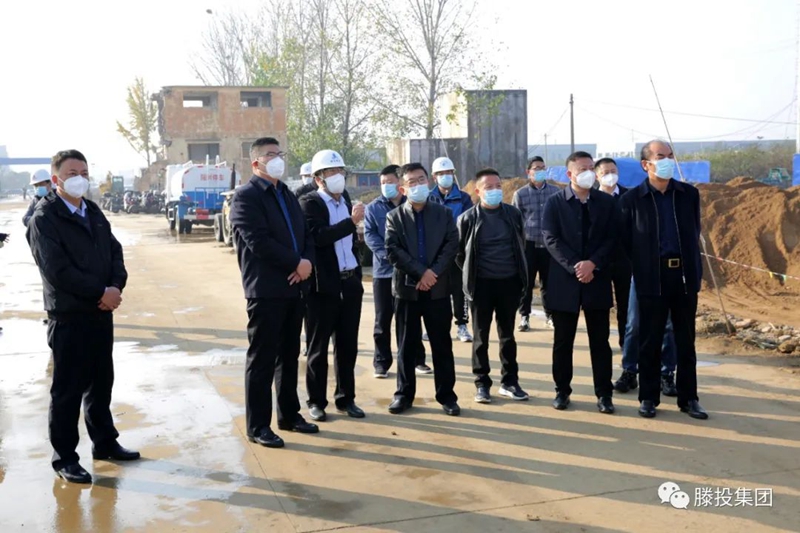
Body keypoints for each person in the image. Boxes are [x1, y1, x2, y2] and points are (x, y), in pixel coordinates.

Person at [26, 149, 139, 484]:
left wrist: (115, 286)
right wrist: (99, 292)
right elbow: (57, 271)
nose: (80, 179)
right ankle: (65, 457)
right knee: (68, 390)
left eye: (85, 173)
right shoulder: (45, 218)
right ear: (56, 178)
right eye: (73, 173)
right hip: (70, 316)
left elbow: (115, 252)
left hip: (100, 313)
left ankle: (104, 442)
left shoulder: (93, 211)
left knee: (101, 383)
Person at [229, 137, 319, 450]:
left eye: (280, 153)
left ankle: (289, 415)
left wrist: (306, 263)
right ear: (256, 162)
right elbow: (258, 242)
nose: (278, 158)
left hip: (295, 286)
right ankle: (257, 426)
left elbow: (306, 235)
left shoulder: (287, 194)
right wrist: (296, 262)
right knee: (262, 359)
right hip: (266, 290)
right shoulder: (246, 197)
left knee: (289, 355)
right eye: (271, 154)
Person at [619, 140, 708, 420]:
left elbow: (694, 232)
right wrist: (643, 267)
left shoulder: (688, 194)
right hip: (651, 278)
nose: (667, 161)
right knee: (650, 339)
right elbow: (625, 243)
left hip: (683, 276)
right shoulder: (632, 200)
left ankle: (689, 398)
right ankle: (648, 397)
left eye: (670, 156)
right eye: (660, 156)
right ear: (646, 164)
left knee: (685, 341)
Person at [542, 151, 617, 414]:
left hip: (597, 277)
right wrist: (576, 266)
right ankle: (562, 390)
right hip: (565, 280)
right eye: (582, 169)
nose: (588, 173)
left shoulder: (605, 203)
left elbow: (612, 238)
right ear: (569, 174)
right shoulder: (554, 203)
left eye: (590, 168)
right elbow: (551, 239)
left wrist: (592, 263)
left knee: (600, 341)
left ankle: (604, 393)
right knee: (563, 341)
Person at [385, 163, 460, 416]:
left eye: (421, 180)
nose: (418, 185)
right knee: (406, 345)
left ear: (428, 181)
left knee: (442, 344)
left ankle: (447, 396)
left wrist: (432, 273)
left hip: (437, 289)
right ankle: (403, 395)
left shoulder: (443, 214)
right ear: (402, 189)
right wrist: (421, 273)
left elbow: (451, 245)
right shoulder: (394, 217)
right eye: (412, 182)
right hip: (407, 290)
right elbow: (393, 250)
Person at [300, 149, 365, 422]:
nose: (338, 176)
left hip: (350, 283)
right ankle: (316, 401)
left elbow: (349, 241)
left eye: (340, 171)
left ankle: (346, 398)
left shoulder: (345, 198)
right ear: (319, 178)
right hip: (322, 287)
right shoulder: (310, 203)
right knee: (318, 347)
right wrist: (351, 222)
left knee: (347, 346)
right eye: (331, 172)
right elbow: (319, 237)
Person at [457, 169, 529, 404]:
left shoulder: (513, 214)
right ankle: (482, 383)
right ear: (478, 191)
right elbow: (460, 254)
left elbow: (521, 244)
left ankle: (510, 382)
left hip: (509, 282)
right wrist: (472, 276)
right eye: (489, 187)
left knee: (507, 335)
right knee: (481, 336)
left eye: (498, 185)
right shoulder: (467, 218)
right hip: (481, 285)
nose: (495, 190)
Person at [364, 165, 429, 378]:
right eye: (383, 183)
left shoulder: (412, 204)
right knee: (383, 319)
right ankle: (381, 362)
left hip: (409, 272)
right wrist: (390, 256)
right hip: (383, 272)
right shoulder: (373, 208)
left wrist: (408, 262)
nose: (386, 186)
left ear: (400, 184)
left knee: (410, 319)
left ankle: (417, 359)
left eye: (390, 182)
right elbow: (370, 236)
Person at [428, 156, 473, 342]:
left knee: (459, 290)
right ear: (434, 177)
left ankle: (462, 325)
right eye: (441, 173)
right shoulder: (428, 198)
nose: (445, 176)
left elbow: (469, 223)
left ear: (454, 174)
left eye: (448, 173)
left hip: (457, 252)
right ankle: (434, 326)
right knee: (436, 292)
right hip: (436, 254)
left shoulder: (463, 198)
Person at [513, 156, 559, 332]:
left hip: (549, 246)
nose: (540, 171)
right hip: (529, 245)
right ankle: (524, 316)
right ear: (528, 172)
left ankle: (550, 315)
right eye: (536, 168)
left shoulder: (555, 192)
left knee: (549, 283)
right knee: (526, 283)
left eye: (542, 168)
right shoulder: (520, 194)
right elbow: (516, 222)